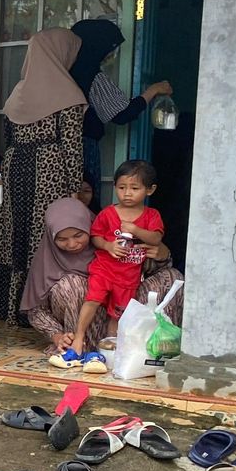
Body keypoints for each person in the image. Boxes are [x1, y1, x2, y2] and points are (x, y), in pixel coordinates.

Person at [0, 27, 88, 325]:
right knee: (43, 235)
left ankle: (9, 308)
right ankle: (38, 310)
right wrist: (75, 190)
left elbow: (7, 139)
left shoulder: (17, 94)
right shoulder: (68, 94)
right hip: (50, 169)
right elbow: (72, 147)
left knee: (14, 236)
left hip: (15, 166)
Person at [20, 196, 184, 352]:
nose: (72, 244)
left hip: (125, 311)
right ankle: (80, 347)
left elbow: (151, 268)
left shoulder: (111, 239)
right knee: (72, 285)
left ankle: (156, 347)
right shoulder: (47, 259)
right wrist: (57, 336)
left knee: (172, 277)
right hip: (84, 329)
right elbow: (36, 310)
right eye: (62, 239)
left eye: (78, 235)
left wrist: (163, 254)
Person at [57, 159, 164, 371]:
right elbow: (95, 236)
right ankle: (79, 338)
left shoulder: (152, 216)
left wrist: (135, 230)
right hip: (105, 269)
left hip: (129, 276)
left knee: (118, 315)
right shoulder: (108, 213)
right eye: (122, 187)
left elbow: (156, 238)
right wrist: (108, 245)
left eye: (134, 188)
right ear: (115, 187)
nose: (127, 193)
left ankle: (109, 352)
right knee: (92, 300)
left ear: (150, 190)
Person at [69, 18, 172, 204]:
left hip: (60, 149)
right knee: (85, 203)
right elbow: (122, 114)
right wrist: (153, 90)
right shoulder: (92, 76)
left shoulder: (62, 73)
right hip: (82, 147)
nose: (110, 55)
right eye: (109, 49)